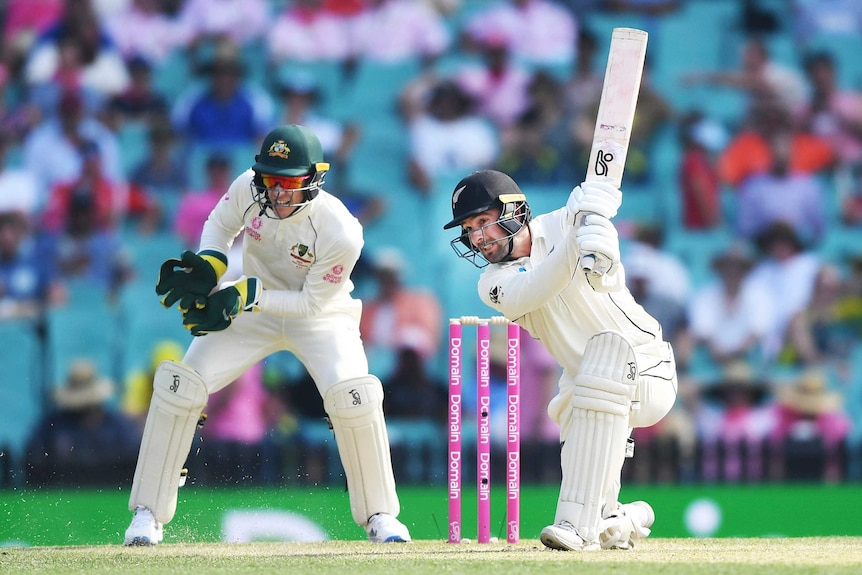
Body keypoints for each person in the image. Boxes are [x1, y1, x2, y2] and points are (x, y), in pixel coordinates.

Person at [123, 124, 411, 545]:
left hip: (321, 315)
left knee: (354, 395)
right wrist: (212, 265)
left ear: (313, 179)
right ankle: (147, 515)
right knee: (180, 385)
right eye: (270, 181)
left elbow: (310, 304)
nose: (276, 193)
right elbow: (219, 225)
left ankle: (380, 516)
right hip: (251, 307)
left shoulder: (342, 231)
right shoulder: (248, 187)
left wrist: (246, 294)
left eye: (288, 182)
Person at [442, 170, 677, 550]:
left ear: (514, 211)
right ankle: (622, 518)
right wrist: (577, 240)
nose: (478, 238)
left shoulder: (568, 220)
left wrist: (602, 235)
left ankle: (575, 527)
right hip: (584, 382)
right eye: (470, 229)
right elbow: (535, 288)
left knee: (604, 363)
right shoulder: (492, 283)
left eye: (483, 222)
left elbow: (606, 270)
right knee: (591, 453)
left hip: (647, 367)